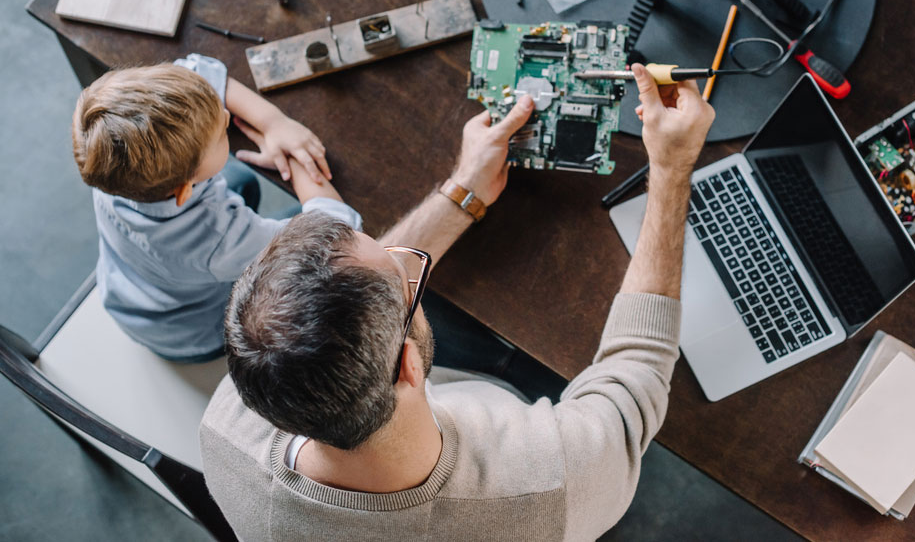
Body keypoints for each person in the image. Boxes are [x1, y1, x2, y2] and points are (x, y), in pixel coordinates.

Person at [199, 64, 715, 540]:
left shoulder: (237, 407)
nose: (409, 263)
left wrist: (462, 192)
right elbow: (636, 377)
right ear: (406, 366)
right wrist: (671, 169)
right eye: (405, 279)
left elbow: (345, 296)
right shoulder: (549, 487)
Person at [71, 54, 362, 362]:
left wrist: (274, 124)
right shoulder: (217, 241)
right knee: (299, 235)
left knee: (243, 181)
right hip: (194, 332)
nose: (225, 115)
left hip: (132, 296)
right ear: (185, 188)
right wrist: (295, 156)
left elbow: (197, 73)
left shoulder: (111, 153)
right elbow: (336, 231)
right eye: (221, 134)